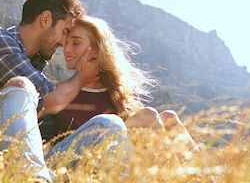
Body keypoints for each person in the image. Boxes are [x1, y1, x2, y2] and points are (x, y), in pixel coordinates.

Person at [0, 0, 129, 183]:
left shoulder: (36, 68)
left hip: (19, 161)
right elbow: (50, 97)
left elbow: (42, 137)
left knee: (108, 125)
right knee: (21, 86)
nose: (64, 44)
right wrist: (82, 76)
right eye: (64, 32)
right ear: (46, 19)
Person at [46, 15, 199, 167]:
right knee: (146, 116)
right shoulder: (61, 93)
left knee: (168, 118)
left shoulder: (121, 93)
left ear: (96, 51)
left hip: (118, 161)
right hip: (73, 162)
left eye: (76, 43)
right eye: (65, 44)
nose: (67, 49)